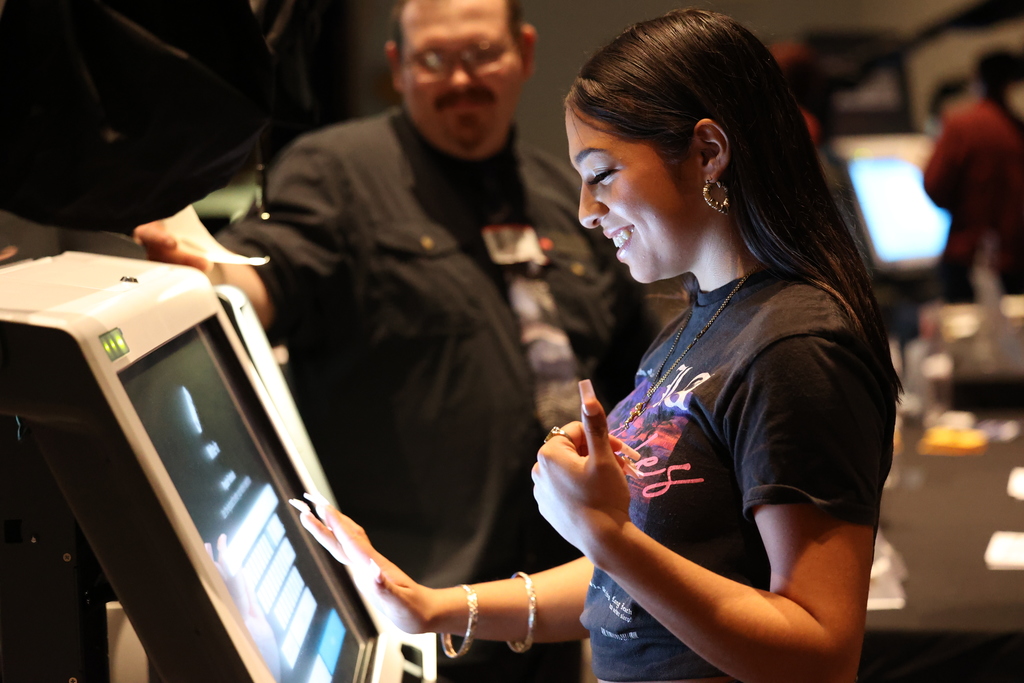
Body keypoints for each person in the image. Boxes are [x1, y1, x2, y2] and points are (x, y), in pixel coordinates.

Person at [293, 8, 900, 683]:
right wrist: (434, 607)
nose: (585, 208)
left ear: (707, 153)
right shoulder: (697, 323)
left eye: (603, 172)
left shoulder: (796, 345)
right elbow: (638, 576)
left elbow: (821, 653)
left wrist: (604, 532)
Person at [135, 0, 654, 680]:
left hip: (549, 610)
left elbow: (637, 382)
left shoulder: (568, 191)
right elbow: (270, 275)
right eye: (434, 59)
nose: (460, 79)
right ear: (398, 66)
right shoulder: (338, 173)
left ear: (524, 53)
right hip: (404, 615)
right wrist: (209, 276)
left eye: (482, 55)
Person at [924, 50, 1024, 302]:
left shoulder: (962, 125)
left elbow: (934, 185)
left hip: (967, 254)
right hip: (1014, 258)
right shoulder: (1017, 129)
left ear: (977, 78)